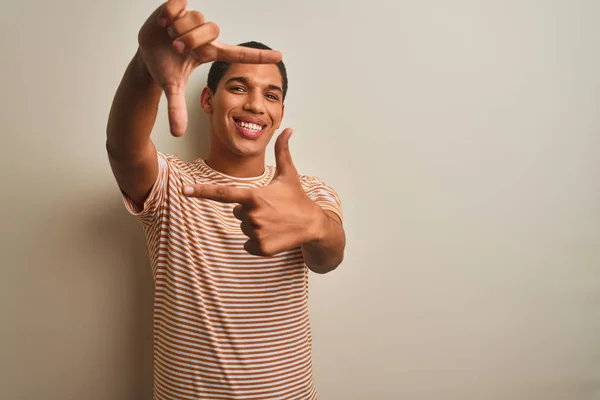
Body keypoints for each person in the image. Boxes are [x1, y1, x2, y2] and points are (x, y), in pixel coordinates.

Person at [106, 1, 346, 399]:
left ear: (280, 113)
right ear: (207, 101)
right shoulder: (171, 185)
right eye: (238, 88)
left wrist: (318, 227)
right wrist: (144, 69)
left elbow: (329, 257)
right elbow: (124, 150)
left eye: (271, 95)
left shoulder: (310, 192)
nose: (255, 104)